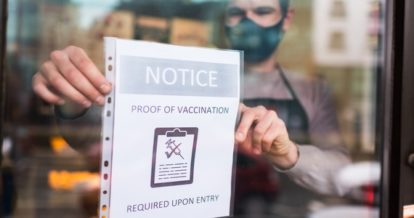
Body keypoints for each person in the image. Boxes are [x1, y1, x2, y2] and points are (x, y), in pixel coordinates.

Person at [32, 0, 351, 216]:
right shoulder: (186, 73)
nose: (248, 21)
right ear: (224, 18)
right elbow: (97, 136)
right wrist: (74, 96)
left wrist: (288, 152)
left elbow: (343, 175)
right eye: (237, 12)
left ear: (286, 19)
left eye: (263, 10)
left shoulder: (312, 90)